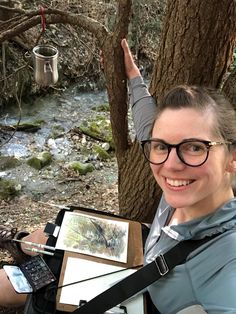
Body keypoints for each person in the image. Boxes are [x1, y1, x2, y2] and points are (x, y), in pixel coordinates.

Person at [0, 38, 236, 313]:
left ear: (232, 158)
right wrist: (133, 76)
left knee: (9, 285)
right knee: (44, 239)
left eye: (195, 147)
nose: (171, 164)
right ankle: (20, 241)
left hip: (138, 294)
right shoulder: (189, 182)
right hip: (141, 249)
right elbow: (147, 120)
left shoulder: (225, 259)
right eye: (161, 146)